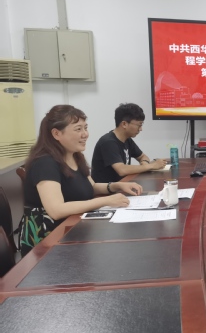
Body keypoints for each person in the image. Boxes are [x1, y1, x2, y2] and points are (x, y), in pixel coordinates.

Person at [19, 105, 142, 256]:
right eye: (78, 129)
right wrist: (106, 201)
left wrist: (117, 186)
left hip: (73, 232)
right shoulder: (45, 163)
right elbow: (56, 210)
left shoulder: (75, 156)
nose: (85, 134)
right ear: (56, 133)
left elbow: (91, 186)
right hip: (47, 244)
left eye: (85, 128)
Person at [91, 103, 166, 183]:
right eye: (139, 125)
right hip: (108, 190)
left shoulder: (127, 139)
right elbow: (122, 170)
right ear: (124, 124)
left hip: (123, 185)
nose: (141, 129)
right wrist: (151, 166)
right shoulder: (108, 142)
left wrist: (145, 163)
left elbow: (143, 156)